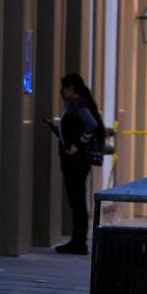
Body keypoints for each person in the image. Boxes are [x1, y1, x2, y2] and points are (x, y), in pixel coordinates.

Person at [46, 73, 102, 255]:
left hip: (77, 161)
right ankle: (77, 240)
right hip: (73, 159)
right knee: (75, 199)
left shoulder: (79, 104)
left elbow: (91, 125)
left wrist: (77, 145)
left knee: (77, 199)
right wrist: (57, 131)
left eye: (63, 88)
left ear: (71, 88)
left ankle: (79, 241)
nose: (61, 91)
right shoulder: (73, 105)